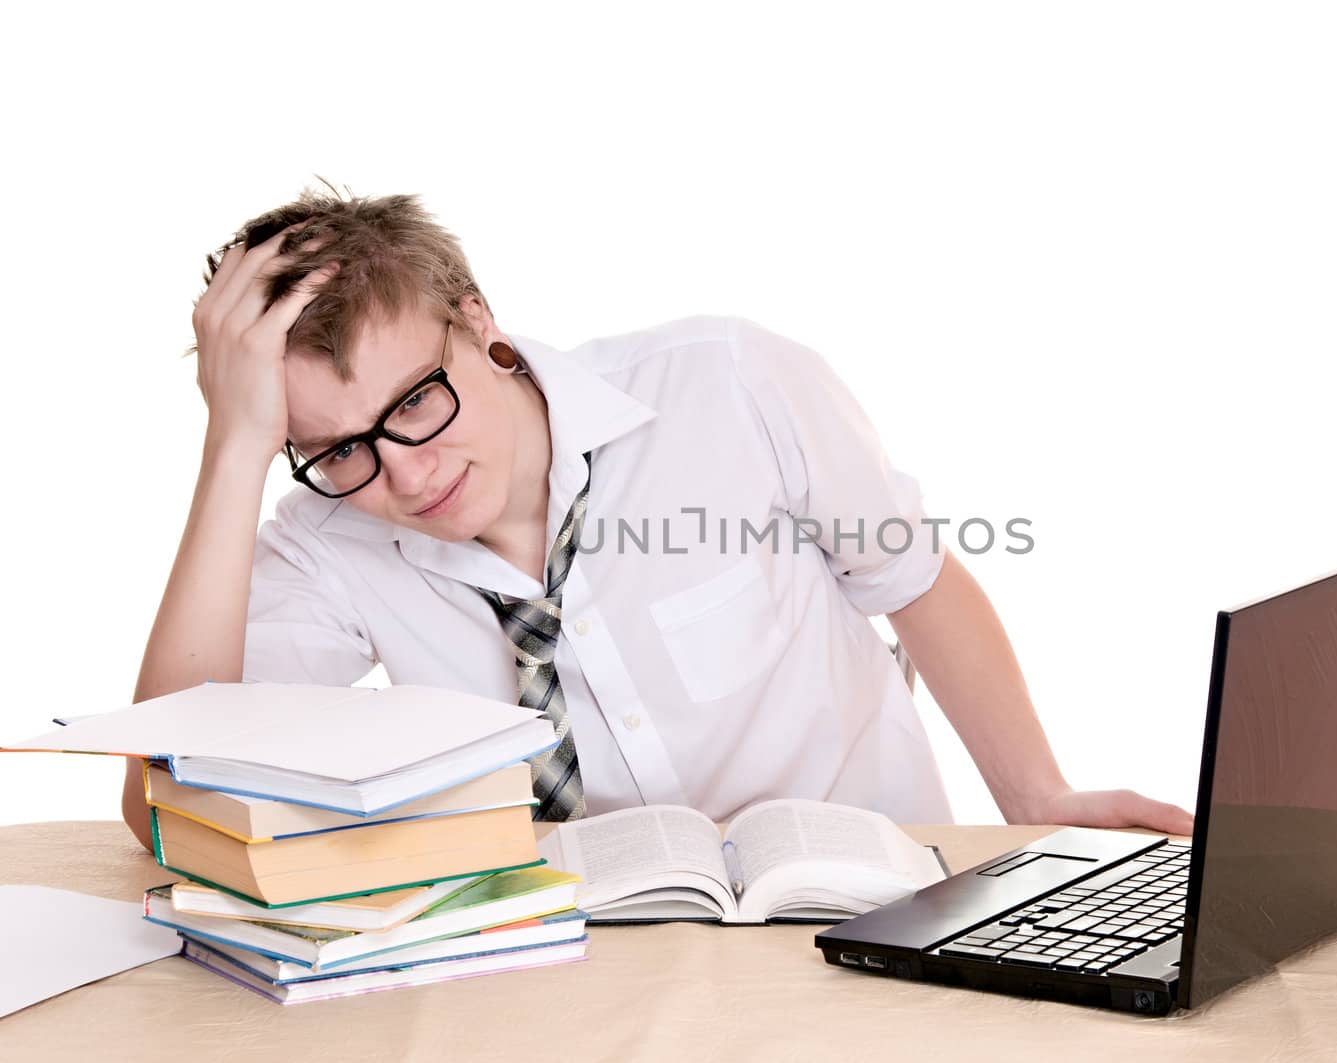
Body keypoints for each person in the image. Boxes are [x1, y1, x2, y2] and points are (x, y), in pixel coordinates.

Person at [121, 184, 1194, 851]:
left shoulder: (728, 384)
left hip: (877, 892)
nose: (404, 473)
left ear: (479, 321)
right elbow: (163, 804)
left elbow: (910, 584)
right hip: (595, 965)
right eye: (340, 447)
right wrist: (234, 449)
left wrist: (1037, 792)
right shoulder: (328, 541)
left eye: (414, 400)